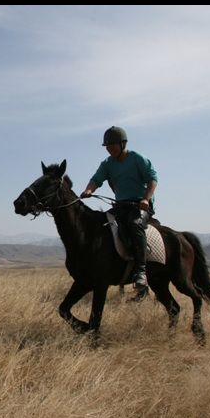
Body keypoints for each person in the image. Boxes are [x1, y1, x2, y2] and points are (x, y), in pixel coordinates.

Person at [79, 126, 158, 302]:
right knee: (103, 225)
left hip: (140, 205)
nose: (110, 149)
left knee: (134, 224)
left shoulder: (137, 159)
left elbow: (153, 179)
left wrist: (146, 199)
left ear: (123, 144)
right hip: (121, 205)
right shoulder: (108, 164)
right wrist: (89, 190)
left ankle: (141, 272)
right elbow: (96, 179)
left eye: (113, 145)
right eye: (107, 146)